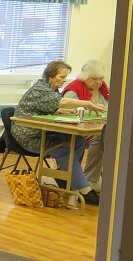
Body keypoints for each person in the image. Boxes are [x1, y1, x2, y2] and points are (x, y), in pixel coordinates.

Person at [11, 60, 106, 206]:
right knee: (63, 150)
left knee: (78, 140)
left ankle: (69, 181)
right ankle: (85, 191)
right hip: (29, 135)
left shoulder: (51, 90)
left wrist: (84, 110)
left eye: (65, 77)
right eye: (61, 77)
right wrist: (88, 104)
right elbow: (63, 102)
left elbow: (58, 108)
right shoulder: (40, 89)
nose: (64, 80)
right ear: (50, 76)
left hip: (45, 132)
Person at [63, 60, 108, 192]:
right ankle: (90, 180)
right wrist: (89, 110)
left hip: (98, 127)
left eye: (100, 78)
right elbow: (65, 109)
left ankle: (105, 178)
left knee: (109, 136)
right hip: (77, 130)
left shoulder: (104, 89)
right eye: (94, 79)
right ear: (84, 78)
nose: (98, 82)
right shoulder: (74, 90)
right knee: (100, 138)